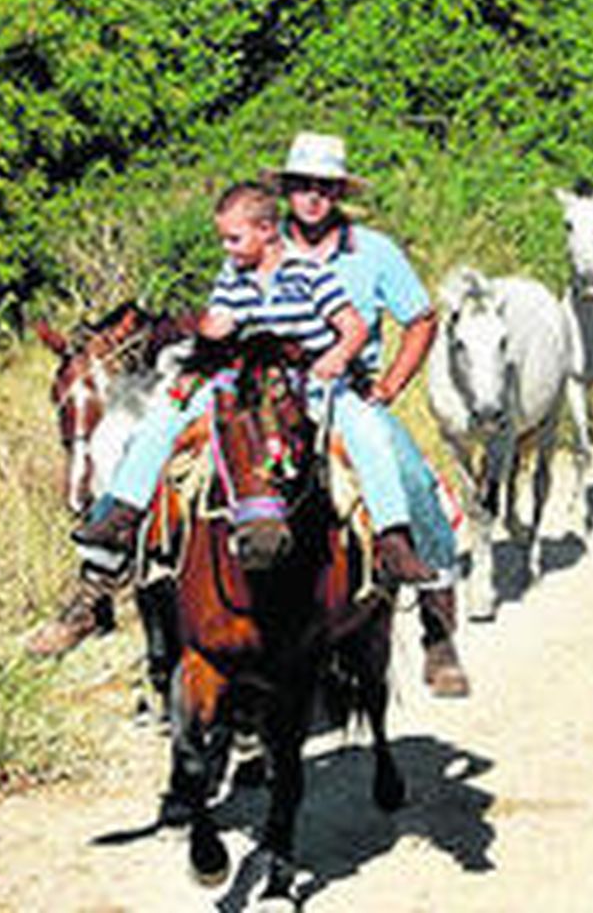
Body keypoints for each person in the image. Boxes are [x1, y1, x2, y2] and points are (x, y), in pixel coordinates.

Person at [27, 180, 434, 658]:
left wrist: (338, 357)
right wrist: (188, 360)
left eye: (233, 239)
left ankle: (393, 535)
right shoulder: (233, 274)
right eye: (224, 239)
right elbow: (218, 328)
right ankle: (123, 509)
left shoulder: (309, 273)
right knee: (163, 416)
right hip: (242, 377)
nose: (226, 248)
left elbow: (354, 327)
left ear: (266, 231)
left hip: (305, 377)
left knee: (367, 432)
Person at [269, 132, 469, 698]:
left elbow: (420, 318)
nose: (312, 197)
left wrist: (391, 383)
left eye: (324, 187)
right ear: (286, 191)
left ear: (337, 192)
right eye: (302, 186)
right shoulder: (264, 246)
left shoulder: (374, 251)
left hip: (349, 393)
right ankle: (149, 595)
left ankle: (437, 627)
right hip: (273, 397)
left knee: (410, 478)